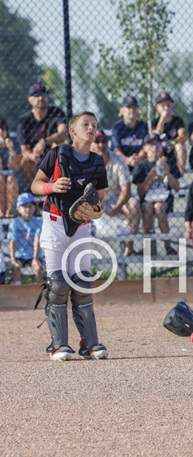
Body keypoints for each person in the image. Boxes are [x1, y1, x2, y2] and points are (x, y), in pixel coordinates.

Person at [30, 111, 109, 361]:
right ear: (72, 130)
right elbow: (35, 184)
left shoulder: (97, 162)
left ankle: (90, 343)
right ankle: (58, 345)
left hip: (81, 226)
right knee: (59, 284)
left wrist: (96, 210)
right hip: (53, 223)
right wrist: (51, 187)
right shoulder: (58, 153)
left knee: (83, 283)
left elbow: (102, 201)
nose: (91, 128)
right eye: (86, 124)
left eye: (94, 125)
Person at [90, 129, 140, 255]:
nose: (101, 145)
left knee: (134, 204)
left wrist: (118, 207)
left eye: (104, 141)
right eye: (97, 141)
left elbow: (126, 189)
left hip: (116, 197)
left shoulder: (118, 159)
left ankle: (129, 247)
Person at [132, 133, 181, 256]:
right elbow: (140, 191)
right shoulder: (141, 166)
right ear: (145, 148)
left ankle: (168, 245)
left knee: (159, 207)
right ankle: (146, 246)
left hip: (164, 198)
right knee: (148, 208)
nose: (155, 147)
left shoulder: (169, 163)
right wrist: (150, 176)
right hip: (148, 198)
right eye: (151, 144)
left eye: (158, 144)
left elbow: (177, 187)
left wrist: (167, 173)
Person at [17, 83, 68, 187]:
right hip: (35, 158)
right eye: (36, 95)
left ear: (47, 97)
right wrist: (32, 156)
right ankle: (35, 192)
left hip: (52, 155)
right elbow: (24, 150)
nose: (40, 98)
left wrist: (44, 142)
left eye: (43, 94)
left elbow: (63, 133)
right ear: (29, 99)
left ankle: (57, 188)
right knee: (25, 162)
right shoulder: (24, 121)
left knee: (60, 146)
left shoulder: (56, 112)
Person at [7, 192, 43, 284]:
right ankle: (17, 290)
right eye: (24, 206)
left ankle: (37, 291)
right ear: (18, 209)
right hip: (20, 254)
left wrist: (35, 259)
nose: (28, 209)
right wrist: (12, 259)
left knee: (38, 268)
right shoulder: (14, 223)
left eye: (30, 206)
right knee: (16, 267)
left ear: (34, 208)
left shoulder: (38, 222)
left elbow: (37, 240)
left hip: (33, 254)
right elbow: (13, 242)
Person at [151, 92, 188, 176]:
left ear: (172, 107)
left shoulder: (177, 120)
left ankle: (180, 177)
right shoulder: (155, 122)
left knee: (180, 146)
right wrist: (162, 119)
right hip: (161, 148)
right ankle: (160, 176)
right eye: (163, 105)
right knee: (155, 148)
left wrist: (173, 142)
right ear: (157, 109)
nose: (166, 108)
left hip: (173, 147)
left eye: (168, 105)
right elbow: (156, 135)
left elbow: (183, 136)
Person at [111, 95, 148, 170]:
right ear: (122, 110)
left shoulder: (143, 126)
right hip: (122, 162)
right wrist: (127, 160)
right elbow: (116, 149)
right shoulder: (117, 127)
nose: (132, 110)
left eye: (134, 107)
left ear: (137, 110)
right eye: (129, 107)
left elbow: (146, 146)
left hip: (140, 162)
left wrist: (138, 157)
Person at [0, 117, 22, 217]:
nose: (1, 132)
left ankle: (9, 212)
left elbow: (14, 168)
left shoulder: (14, 142)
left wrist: (11, 150)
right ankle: (1, 211)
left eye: (3, 129)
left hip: (13, 179)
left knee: (11, 179)